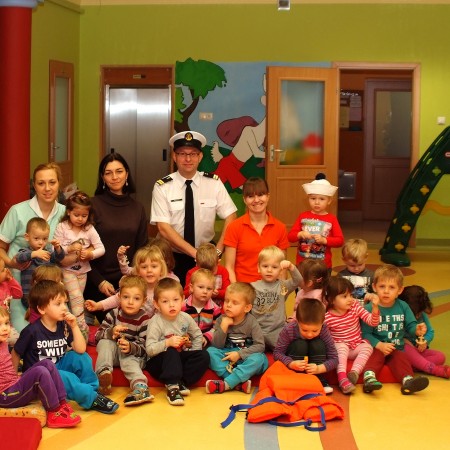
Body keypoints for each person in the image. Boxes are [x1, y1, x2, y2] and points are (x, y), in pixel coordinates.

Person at [12, 280, 119, 414]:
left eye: (65, 303)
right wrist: (13, 379)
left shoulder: (63, 325)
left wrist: (74, 326)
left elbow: (81, 349)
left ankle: (92, 392)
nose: (64, 308)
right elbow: (15, 353)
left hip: (58, 367)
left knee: (81, 357)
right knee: (65, 376)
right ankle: (91, 398)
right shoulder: (31, 331)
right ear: (42, 309)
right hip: (41, 378)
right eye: (58, 304)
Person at [150, 131, 237, 286]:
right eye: (182, 154)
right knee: (172, 296)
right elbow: (163, 228)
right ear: (174, 157)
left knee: (206, 296)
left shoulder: (213, 183)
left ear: (200, 156)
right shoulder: (162, 187)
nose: (188, 159)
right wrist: (195, 253)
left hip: (206, 256)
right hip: (172, 257)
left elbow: (231, 215)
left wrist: (218, 251)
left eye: (193, 154)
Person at [0, 163, 70, 332]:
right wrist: (11, 262)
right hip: (19, 285)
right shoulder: (17, 211)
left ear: (59, 183)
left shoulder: (66, 213)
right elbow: (1, 246)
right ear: (34, 185)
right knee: (23, 333)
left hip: (52, 284)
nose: (47, 188)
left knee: (59, 333)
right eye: (41, 183)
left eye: (52, 182)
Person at [84, 153, 148, 323]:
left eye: (119, 171)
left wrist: (131, 283)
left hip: (129, 286)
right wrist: (100, 282)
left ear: (127, 174)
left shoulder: (138, 208)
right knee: (112, 328)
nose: (114, 177)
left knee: (133, 328)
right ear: (102, 177)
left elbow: (142, 250)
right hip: (96, 283)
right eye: (108, 173)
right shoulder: (92, 206)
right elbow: (83, 252)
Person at [0, 307, 81, 428]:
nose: (5, 328)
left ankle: (62, 404)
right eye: (0, 325)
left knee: (47, 363)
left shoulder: (3, 342)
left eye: (6, 323)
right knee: (40, 372)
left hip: (14, 383)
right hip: (5, 395)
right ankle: (53, 412)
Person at [361, 265, 429, 395]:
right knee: (375, 356)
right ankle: (369, 379)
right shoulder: (369, 308)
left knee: (401, 359)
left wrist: (417, 329)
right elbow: (365, 334)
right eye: (382, 286)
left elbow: (411, 326)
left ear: (400, 290)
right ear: (374, 287)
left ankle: (407, 381)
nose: (386, 291)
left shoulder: (403, 306)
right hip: (376, 347)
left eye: (392, 287)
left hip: (396, 347)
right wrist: (379, 345)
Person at [145, 277, 210, 406]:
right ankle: (172, 386)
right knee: (171, 351)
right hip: (158, 363)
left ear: (182, 299)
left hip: (177, 361)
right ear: (156, 304)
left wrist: (193, 350)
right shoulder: (155, 322)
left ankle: (181, 382)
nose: (171, 305)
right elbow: (150, 349)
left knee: (203, 355)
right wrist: (167, 343)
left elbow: (197, 335)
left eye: (175, 300)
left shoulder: (185, 318)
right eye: (165, 301)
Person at [95, 275, 154, 406]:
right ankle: (103, 376)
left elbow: (146, 348)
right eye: (126, 297)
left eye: (136, 298)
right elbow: (97, 336)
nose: (130, 302)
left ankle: (141, 387)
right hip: (113, 354)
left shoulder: (144, 320)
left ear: (143, 301)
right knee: (104, 342)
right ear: (119, 297)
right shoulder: (113, 314)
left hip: (133, 356)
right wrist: (111, 332)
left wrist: (131, 347)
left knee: (128, 360)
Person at [54, 191, 105, 340]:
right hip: (66, 271)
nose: (80, 219)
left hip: (82, 272)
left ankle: (70, 333)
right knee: (77, 298)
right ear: (68, 212)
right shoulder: (62, 227)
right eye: (76, 215)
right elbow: (54, 250)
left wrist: (90, 254)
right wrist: (69, 248)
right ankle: (82, 330)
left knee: (75, 301)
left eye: (84, 215)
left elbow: (101, 248)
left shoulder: (89, 229)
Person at [205, 282, 268, 394]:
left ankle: (227, 383)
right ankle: (236, 382)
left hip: (245, 358)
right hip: (227, 357)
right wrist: (224, 326)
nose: (228, 305)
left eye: (235, 303)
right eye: (226, 301)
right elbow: (217, 345)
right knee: (210, 352)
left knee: (260, 359)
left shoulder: (252, 322)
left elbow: (260, 346)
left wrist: (239, 354)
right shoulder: (221, 319)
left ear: (247, 308)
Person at [223, 177, 289, 283]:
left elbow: (282, 268)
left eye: (260, 195)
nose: (256, 200)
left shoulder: (280, 227)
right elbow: (229, 267)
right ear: (244, 200)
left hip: (271, 289)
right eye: (251, 196)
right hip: (243, 287)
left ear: (268, 196)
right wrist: (237, 290)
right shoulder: (234, 227)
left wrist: (280, 291)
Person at [324, 276, 380, 394]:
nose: (350, 299)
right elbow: (324, 338)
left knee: (367, 347)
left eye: (351, 295)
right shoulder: (327, 317)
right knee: (341, 347)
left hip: (355, 347)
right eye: (345, 296)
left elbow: (372, 322)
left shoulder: (355, 306)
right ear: (332, 300)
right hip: (340, 349)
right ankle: (342, 379)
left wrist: (375, 307)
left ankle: (354, 373)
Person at [274, 297, 338, 394]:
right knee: (300, 344)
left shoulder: (324, 329)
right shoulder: (289, 329)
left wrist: (319, 369)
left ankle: (319, 381)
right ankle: (296, 380)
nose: (310, 334)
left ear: (322, 323)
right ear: (297, 321)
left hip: (315, 368)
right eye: (304, 330)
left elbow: (334, 358)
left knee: (317, 344)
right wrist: (291, 363)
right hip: (295, 367)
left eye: (315, 331)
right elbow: (277, 353)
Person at [86, 245, 167, 318]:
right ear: (138, 270)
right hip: (131, 324)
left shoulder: (165, 289)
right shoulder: (134, 286)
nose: (149, 270)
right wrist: (98, 305)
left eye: (154, 266)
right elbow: (116, 299)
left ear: (161, 269)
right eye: (144, 267)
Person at [287, 173, 344, 269]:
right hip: (302, 265)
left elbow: (340, 241)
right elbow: (290, 237)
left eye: (322, 199)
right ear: (308, 199)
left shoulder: (332, 219)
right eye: (313, 198)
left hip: (323, 266)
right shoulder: (302, 216)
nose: (317, 202)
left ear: (329, 201)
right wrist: (300, 234)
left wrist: (324, 240)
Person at [251, 245, 303, 350]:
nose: (269, 270)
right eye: (265, 266)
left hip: (277, 331)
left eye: (274, 267)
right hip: (256, 332)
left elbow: (298, 280)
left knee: (292, 349)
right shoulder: (252, 287)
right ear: (258, 268)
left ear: (280, 270)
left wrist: (291, 267)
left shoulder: (283, 286)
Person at [399, 285, 449, 378]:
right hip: (404, 350)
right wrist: (404, 340)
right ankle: (434, 369)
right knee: (406, 347)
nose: (418, 316)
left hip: (417, 350)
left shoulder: (422, 315)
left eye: (420, 312)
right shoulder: (400, 316)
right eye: (415, 314)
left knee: (441, 356)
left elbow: (430, 332)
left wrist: (425, 341)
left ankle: (415, 365)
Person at [15, 217, 65, 310]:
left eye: (45, 239)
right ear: (27, 237)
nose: (41, 242)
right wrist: (34, 254)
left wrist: (57, 248)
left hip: (47, 293)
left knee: (47, 312)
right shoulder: (25, 251)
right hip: (29, 294)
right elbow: (19, 258)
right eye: (36, 238)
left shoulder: (47, 251)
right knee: (35, 313)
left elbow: (59, 258)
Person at [182, 268, 222, 347]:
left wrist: (206, 337)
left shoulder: (215, 309)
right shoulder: (182, 307)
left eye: (209, 289)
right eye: (201, 287)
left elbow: (216, 327)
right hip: (185, 343)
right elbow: (177, 325)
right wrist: (184, 337)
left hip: (206, 343)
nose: (205, 291)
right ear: (191, 288)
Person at [183, 242, 230, 307]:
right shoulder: (192, 273)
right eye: (203, 271)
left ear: (218, 262)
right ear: (197, 264)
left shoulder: (223, 271)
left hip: (218, 309)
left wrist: (218, 294)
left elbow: (228, 293)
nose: (207, 274)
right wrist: (192, 290)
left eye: (212, 271)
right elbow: (184, 294)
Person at [338, 238, 374, 306]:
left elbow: (376, 294)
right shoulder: (341, 276)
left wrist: (372, 295)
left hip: (366, 309)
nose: (356, 269)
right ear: (344, 260)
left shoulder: (371, 275)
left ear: (366, 257)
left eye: (360, 264)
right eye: (352, 265)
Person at [0, 258, 22, 345]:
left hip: (6, 326)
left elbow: (18, 294)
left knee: (18, 341)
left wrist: (11, 280)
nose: (6, 270)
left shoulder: (6, 284)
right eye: (3, 270)